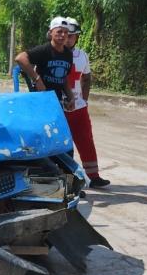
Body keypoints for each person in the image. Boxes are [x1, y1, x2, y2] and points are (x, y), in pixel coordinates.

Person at [63, 17, 110, 188]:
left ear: (76, 38)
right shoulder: (51, 55)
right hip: (59, 108)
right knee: (64, 147)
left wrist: (84, 99)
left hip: (79, 108)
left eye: (72, 36)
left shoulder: (82, 56)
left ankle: (94, 176)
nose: (68, 39)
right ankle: (69, 182)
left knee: (86, 141)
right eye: (66, 35)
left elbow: (87, 78)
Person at [14, 16, 76, 112]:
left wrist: (70, 97)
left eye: (66, 32)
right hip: (40, 101)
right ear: (51, 32)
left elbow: (64, 78)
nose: (63, 35)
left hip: (56, 102)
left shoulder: (68, 54)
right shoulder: (44, 50)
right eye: (59, 31)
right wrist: (37, 79)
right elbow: (20, 58)